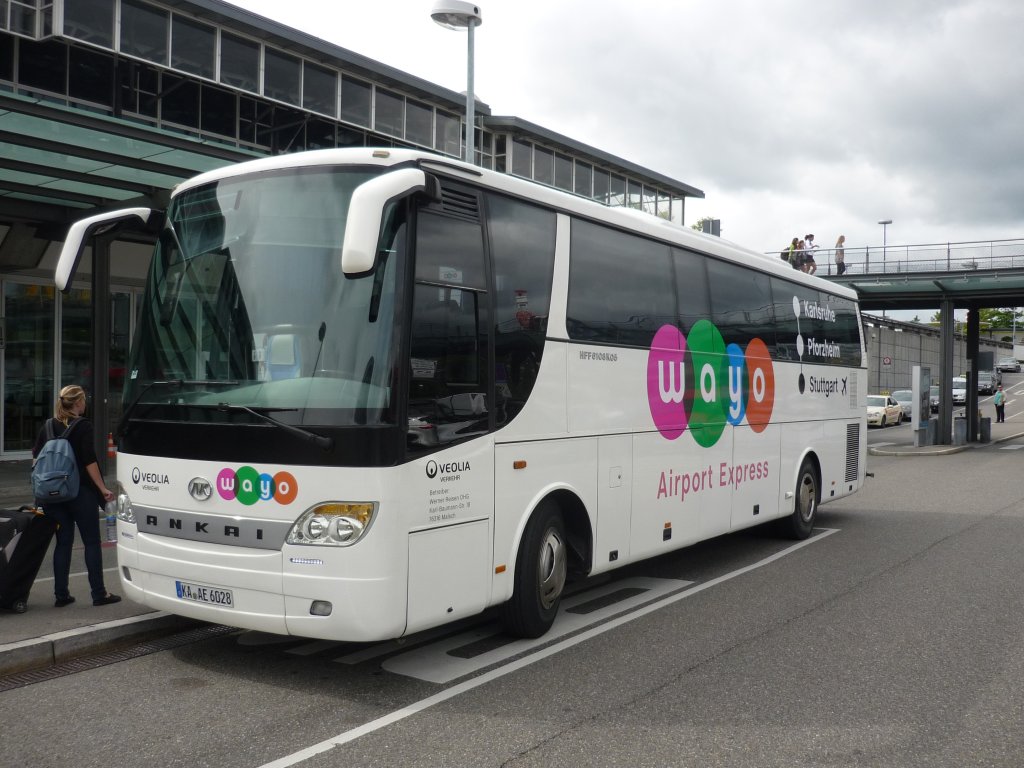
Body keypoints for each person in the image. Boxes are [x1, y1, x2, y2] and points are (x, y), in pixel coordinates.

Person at [31, 386, 121, 608]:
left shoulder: (48, 426)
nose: (85, 403)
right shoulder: (84, 426)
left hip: (53, 496)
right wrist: (102, 489)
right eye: (83, 400)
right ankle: (99, 594)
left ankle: (61, 595)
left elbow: (36, 460)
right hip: (80, 493)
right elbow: (89, 461)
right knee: (91, 542)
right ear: (78, 402)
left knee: (62, 543)